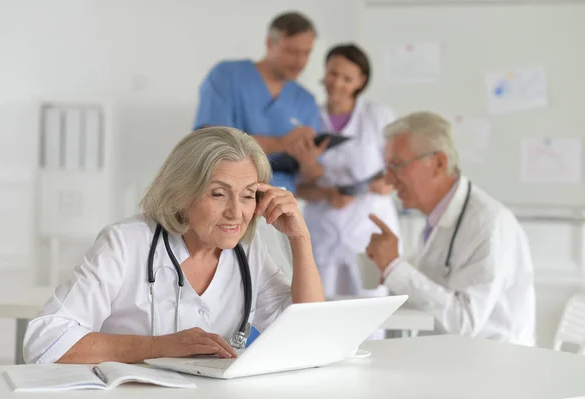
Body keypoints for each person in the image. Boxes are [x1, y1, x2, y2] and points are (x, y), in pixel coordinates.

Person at [23, 126, 325, 364]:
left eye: (247, 195)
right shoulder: (126, 243)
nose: (236, 212)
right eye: (219, 194)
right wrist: (157, 347)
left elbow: (307, 335)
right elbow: (44, 341)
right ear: (182, 194)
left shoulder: (247, 250)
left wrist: (300, 241)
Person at [365, 111, 536, 345]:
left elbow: (463, 323)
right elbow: (430, 298)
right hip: (456, 360)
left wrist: (394, 267)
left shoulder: (487, 223)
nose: (388, 179)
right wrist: (387, 270)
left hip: (494, 367)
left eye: (396, 166)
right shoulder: (437, 218)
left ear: (438, 163)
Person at [296, 44, 402, 297]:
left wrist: (388, 182)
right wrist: (326, 194)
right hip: (324, 230)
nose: (337, 83)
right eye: (333, 74)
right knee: (321, 311)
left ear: (361, 81)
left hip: (368, 229)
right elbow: (297, 185)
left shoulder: (379, 116)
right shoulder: (307, 118)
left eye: (347, 78)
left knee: (371, 314)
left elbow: (400, 167)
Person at [193, 11, 326, 193]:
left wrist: (308, 162)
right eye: (292, 51)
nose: (300, 61)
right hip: (228, 192)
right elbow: (212, 142)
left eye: (306, 53)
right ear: (270, 43)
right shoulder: (226, 76)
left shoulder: (306, 100)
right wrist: (283, 143)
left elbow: (312, 174)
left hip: (279, 201)